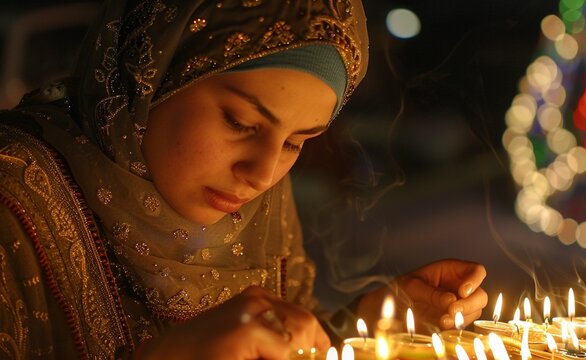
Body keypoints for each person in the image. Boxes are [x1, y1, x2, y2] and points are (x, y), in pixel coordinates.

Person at [0, 0, 487, 358]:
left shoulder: (258, 201)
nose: (262, 173)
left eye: (297, 142)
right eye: (240, 123)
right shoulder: (15, 193)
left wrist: (368, 324)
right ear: (151, 75)